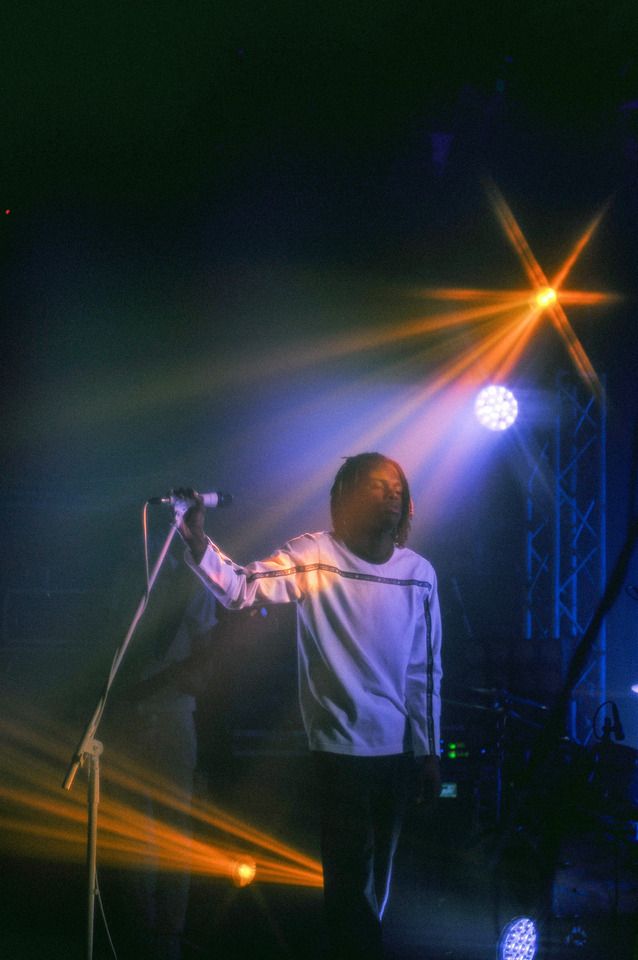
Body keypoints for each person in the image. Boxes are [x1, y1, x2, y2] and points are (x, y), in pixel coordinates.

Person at [174, 452, 442, 960]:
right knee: (348, 888)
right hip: (337, 748)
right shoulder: (314, 554)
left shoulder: (419, 574)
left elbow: (424, 672)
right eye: (377, 486)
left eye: (397, 488)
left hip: (395, 754)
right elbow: (240, 589)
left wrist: (430, 753)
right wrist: (196, 540)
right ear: (348, 495)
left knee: (375, 889)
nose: (390, 494)